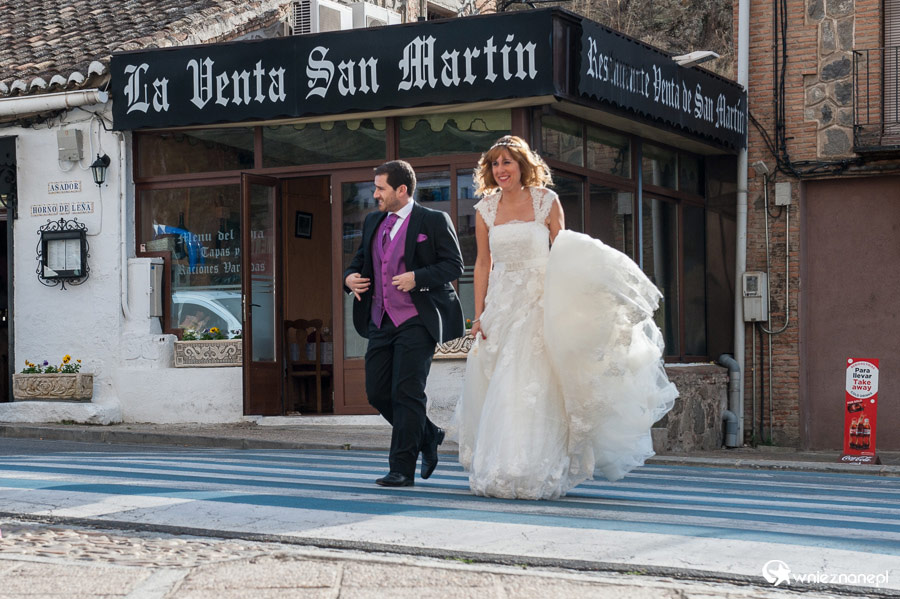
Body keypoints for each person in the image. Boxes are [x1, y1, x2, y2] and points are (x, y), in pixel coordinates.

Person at [450, 135, 678, 500]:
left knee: (533, 383)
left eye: (507, 162)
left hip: (541, 301)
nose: (500, 169)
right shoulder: (484, 210)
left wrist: (584, 294)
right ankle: (502, 467)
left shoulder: (546, 201)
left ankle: (535, 468)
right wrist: (477, 315)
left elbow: (564, 251)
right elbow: (482, 263)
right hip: (503, 305)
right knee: (502, 385)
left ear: (522, 165)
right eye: (495, 164)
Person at [344, 160, 465, 487]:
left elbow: (454, 265)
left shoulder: (433, 220)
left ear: (402, 190)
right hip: (380, 319)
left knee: (407, 392)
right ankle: (428, 434)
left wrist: (418, 277)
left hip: (416, 320)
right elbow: (359, 263)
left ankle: (401, 469)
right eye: (375, 187)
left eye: (381, 188)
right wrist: (350, 278)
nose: (375, 194)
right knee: (378, 391)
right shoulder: (372, 222)